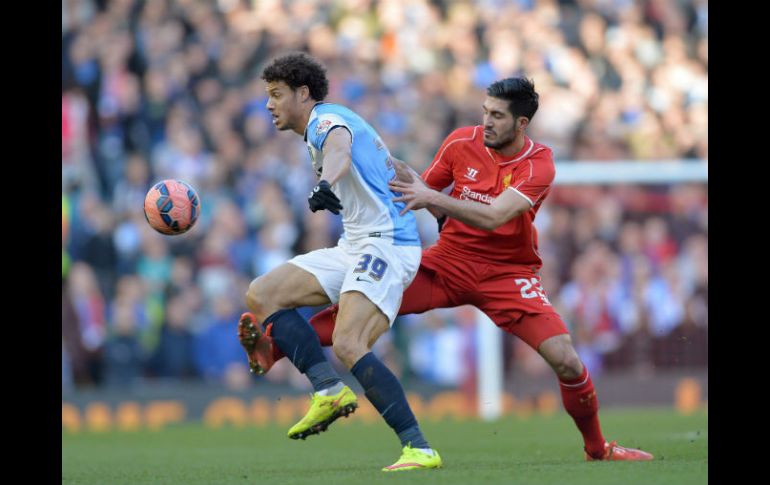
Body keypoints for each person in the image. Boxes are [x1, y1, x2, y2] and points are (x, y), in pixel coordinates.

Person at [245, 77, 654, 462]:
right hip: (447, 262)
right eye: (485, 111)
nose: (486, 121)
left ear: (522, 122)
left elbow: (493, 216)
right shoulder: (461, 142)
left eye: (497, 115)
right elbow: (416, 184)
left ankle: (598, 448)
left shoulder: (539, 163)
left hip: (508, 275)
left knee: (566, 360)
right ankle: (274, 348)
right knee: (355, 314)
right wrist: (373, 165)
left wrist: (432, 199)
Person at [237, 52, 442, 472]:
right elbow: (378, 164)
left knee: (349, 343)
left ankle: (419, 448)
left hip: (387, 244)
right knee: (263, 293)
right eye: (267, 96)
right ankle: (327, 389)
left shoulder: (325, 120)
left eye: (277, 95)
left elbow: (340, 150)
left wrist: (325, 182)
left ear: (304, 94)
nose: (269, 105)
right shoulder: (326, 124)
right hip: (358, 243)